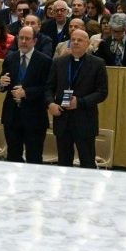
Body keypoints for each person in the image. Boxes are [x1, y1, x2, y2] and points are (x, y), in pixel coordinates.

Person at [47, 28, 109, 168]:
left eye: (79, 40)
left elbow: (102, 92)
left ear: (87, 44)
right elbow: (48, 88)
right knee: (63, 163)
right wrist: (50, 103)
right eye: (73, 40)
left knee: (87, 163)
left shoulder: (98, 63)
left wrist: (80, 102)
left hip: (85, 120)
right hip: (62, 119)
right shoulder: (59, 62)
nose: (75, 42)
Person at [0, 24, 53, 163]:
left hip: (34, 117)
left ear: (34, 41)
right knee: (13, 157)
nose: (23, 41)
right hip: (12, 115)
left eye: (27, 38)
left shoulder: (44, 61)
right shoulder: (10, 58)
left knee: (34, 158)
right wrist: (1, 83)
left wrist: (26, 93)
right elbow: (1, 84)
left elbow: (48, 88)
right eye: (21, 38)